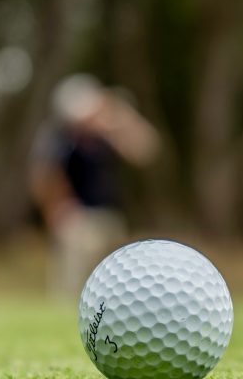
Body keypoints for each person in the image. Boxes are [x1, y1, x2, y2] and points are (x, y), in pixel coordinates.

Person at [30, 74, 159, 297]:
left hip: (111, 217)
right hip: (77, 218)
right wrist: (55, 211)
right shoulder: (60, 138)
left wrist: (123, 116)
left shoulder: (107, 135)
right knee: (73, 286)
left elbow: (146, 150)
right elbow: (43, 176)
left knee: (112, 287)